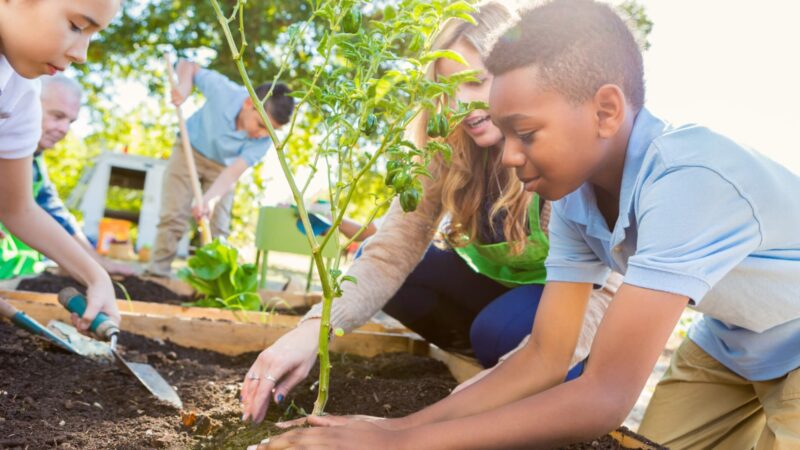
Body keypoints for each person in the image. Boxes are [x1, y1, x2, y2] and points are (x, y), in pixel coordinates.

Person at [259, 1, 800, 448]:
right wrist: (397, 427)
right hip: (730, 342)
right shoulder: (573, 196)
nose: (511, 158)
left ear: (606, 111)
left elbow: (605, 395)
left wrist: (401, 444)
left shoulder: (689, 181)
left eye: (524, 132)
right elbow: (545, 356)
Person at [240, 1, 620, 426]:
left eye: (477, 82)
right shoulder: (445, 148)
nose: (462, 104)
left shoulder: (559, 152)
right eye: (447, 88)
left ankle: (524, 366)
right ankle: (486, 359)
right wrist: (313, 331)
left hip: (568, 304)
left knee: (497, 329)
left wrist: (466, 405)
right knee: (385, 266)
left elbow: (607, 290)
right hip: (495, 293)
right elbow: (390, 251)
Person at [0, 0, 122, 333]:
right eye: (77, 27)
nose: (81, 54)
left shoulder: (18, 94)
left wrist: (95, 275)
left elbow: (18, 208)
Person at [145, 59, 295, 277]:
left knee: (218, 227)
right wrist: (185, 86)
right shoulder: (225, 91)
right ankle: (156, 275)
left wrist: (211, 199)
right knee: (174, 216)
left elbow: (233, 172)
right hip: (190, 151)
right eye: (261, 125)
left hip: (223, 168)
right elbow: (188, 65)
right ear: (247, 104)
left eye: (271, 130)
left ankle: (212, 284)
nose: (263, 134)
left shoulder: (264, 141)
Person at [0, 74, 135, 279]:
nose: (64, 129)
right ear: (29, 105)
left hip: (12, 275)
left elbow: (56, 215)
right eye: (57, 116)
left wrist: (96, 264)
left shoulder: (35, 160)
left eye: (70, 121)